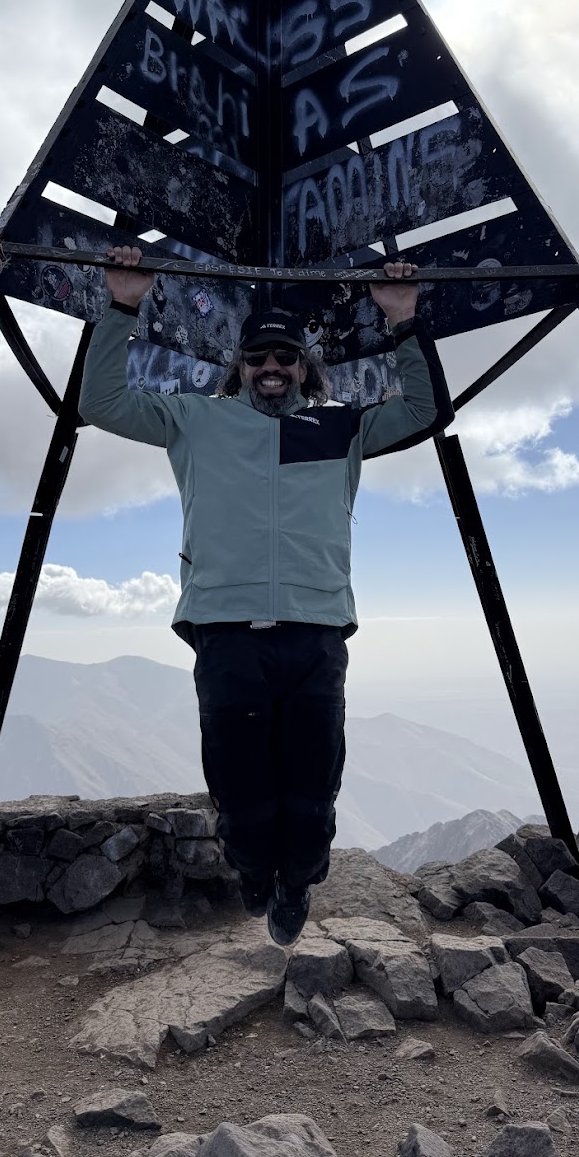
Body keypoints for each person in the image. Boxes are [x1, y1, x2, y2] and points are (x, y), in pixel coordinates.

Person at [78, 247, 454, 944]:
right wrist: (122, 305)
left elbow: (427, 410)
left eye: (284, 356)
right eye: (257, 358)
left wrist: (403, 320)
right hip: (224, 630)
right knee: (241, 786)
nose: (271, 367)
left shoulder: (341, 427)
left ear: (303, 367)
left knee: (312, 790)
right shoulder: (196, 420)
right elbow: (98, 402)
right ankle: (253, 873)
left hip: (314, 630)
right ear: (240, 367)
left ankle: (295, 885)